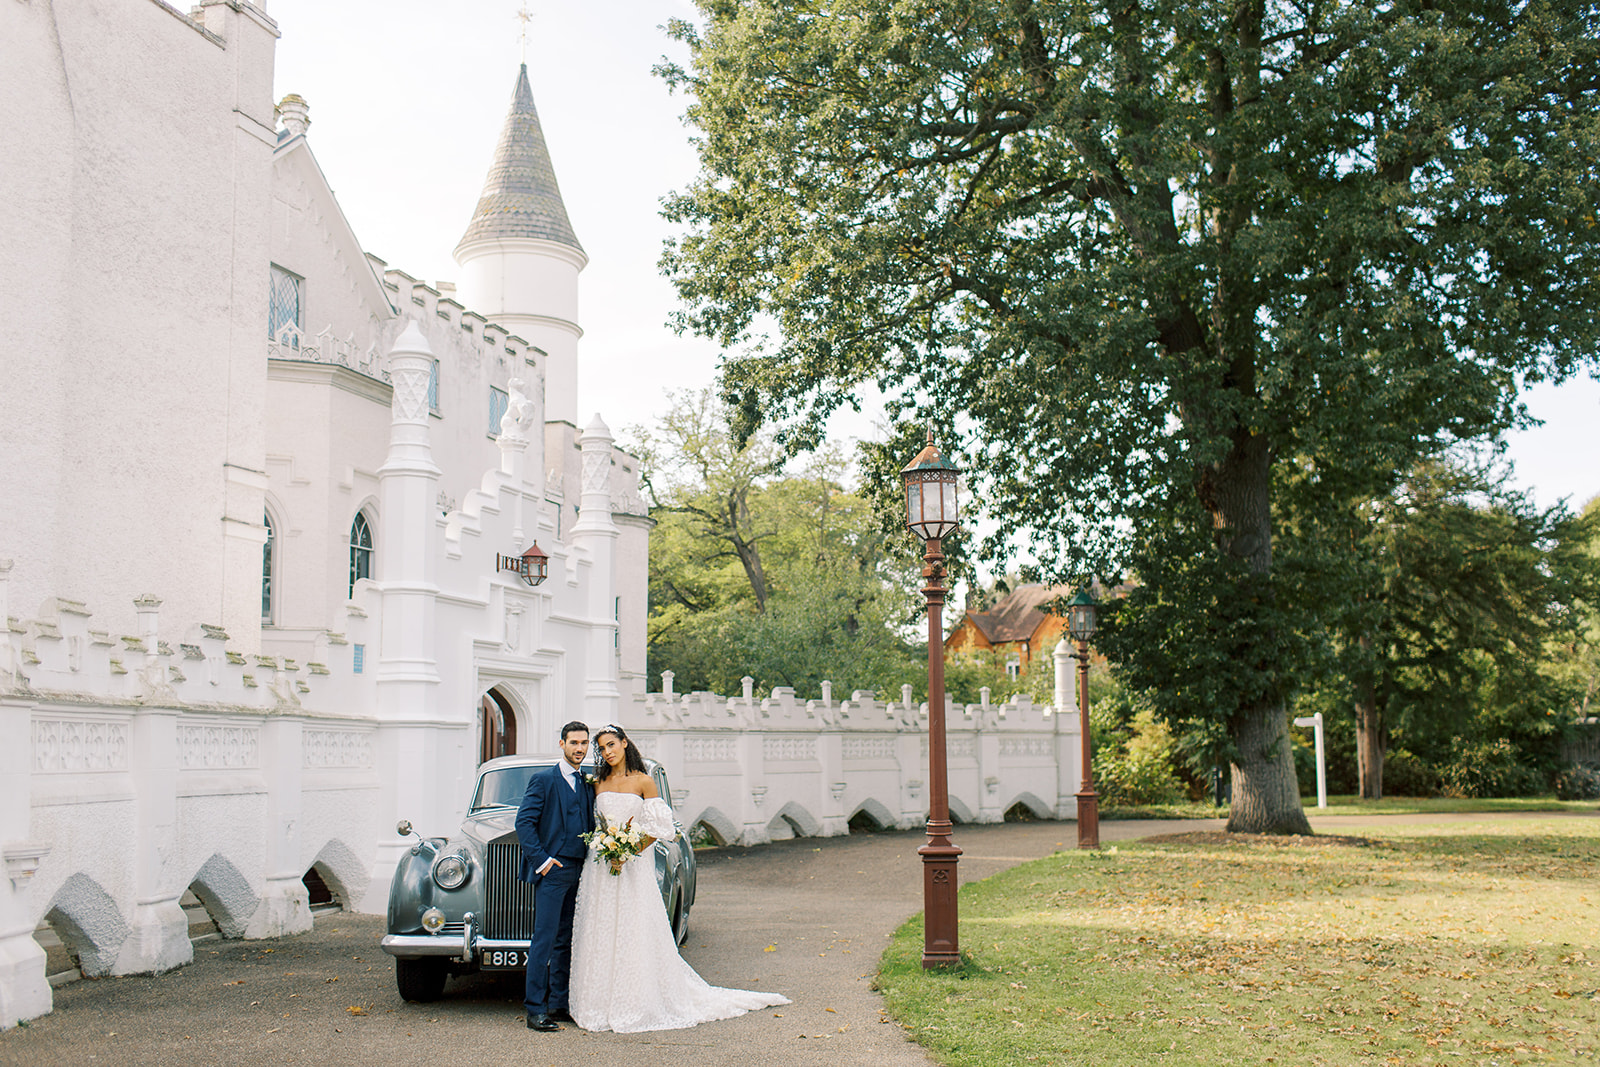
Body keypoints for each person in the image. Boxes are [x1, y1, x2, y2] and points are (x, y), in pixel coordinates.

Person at [569, 723, 790, 1033]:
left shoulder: (644, 781)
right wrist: (608, 849)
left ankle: (634, 1002)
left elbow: (660, 828)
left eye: (611, 745)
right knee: (602, 930)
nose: (608, 752)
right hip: (601, 869)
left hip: (631, 866)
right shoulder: (598, 782)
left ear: (624, 743)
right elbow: (597, 823)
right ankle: (597, 1004)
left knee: (634, 930)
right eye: (602, 748)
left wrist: (627, 850)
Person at [514, 720, 594, 1032]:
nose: (579, 749)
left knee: (566, 938)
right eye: (574, 743)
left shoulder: (586, 782)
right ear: (562, 744)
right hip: (554, 869)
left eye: (584, 743)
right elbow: (525, 822)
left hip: (581, 870)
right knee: (544, 939)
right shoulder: (544, 780)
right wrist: (543, 861)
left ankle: (559, 1004)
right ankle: (535, 1009)